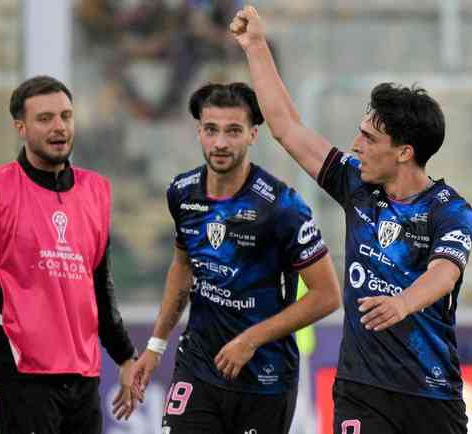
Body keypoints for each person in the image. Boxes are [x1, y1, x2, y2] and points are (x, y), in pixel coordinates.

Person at [230, 6, 472, 434]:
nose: (355, 144)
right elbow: (287, 128)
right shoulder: (356, 185)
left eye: (369, 137)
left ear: (404, 152)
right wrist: (256, 47)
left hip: (431, 393)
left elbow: (444, 273)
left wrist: (402, 302)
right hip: (360, 388)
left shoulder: (450, 209)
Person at [129, 82, 341, 433]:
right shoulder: (182, 193)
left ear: (253, 135)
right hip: (198, 365)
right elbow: (182, 268)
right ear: (199, 132)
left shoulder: (282, 207)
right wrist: (155, 345)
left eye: (233, 131)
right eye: (211, 130)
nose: (221, 143)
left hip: (265, 377)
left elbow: (327, 295)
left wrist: (251, 339)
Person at [0, 75, 139, 433]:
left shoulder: (96, 192)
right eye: (45, 119)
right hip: (19, 375)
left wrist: (124, 356)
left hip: (83, 375)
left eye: (66, 116)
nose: (59, 127)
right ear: (21, 127)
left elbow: (98, 286)